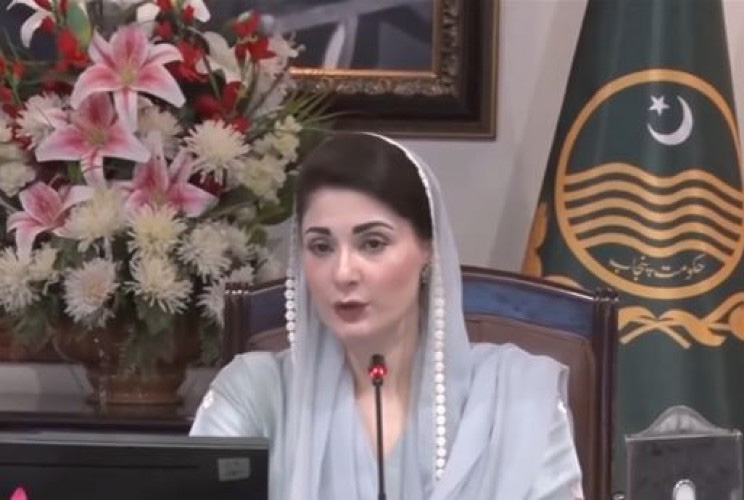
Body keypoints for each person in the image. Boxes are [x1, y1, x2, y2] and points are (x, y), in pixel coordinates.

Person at [189, 132, 584, 500]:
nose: (343, 272)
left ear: (428, 249)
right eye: (322, 246)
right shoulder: (255, 394)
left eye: (373, 243)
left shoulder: (516, 398)